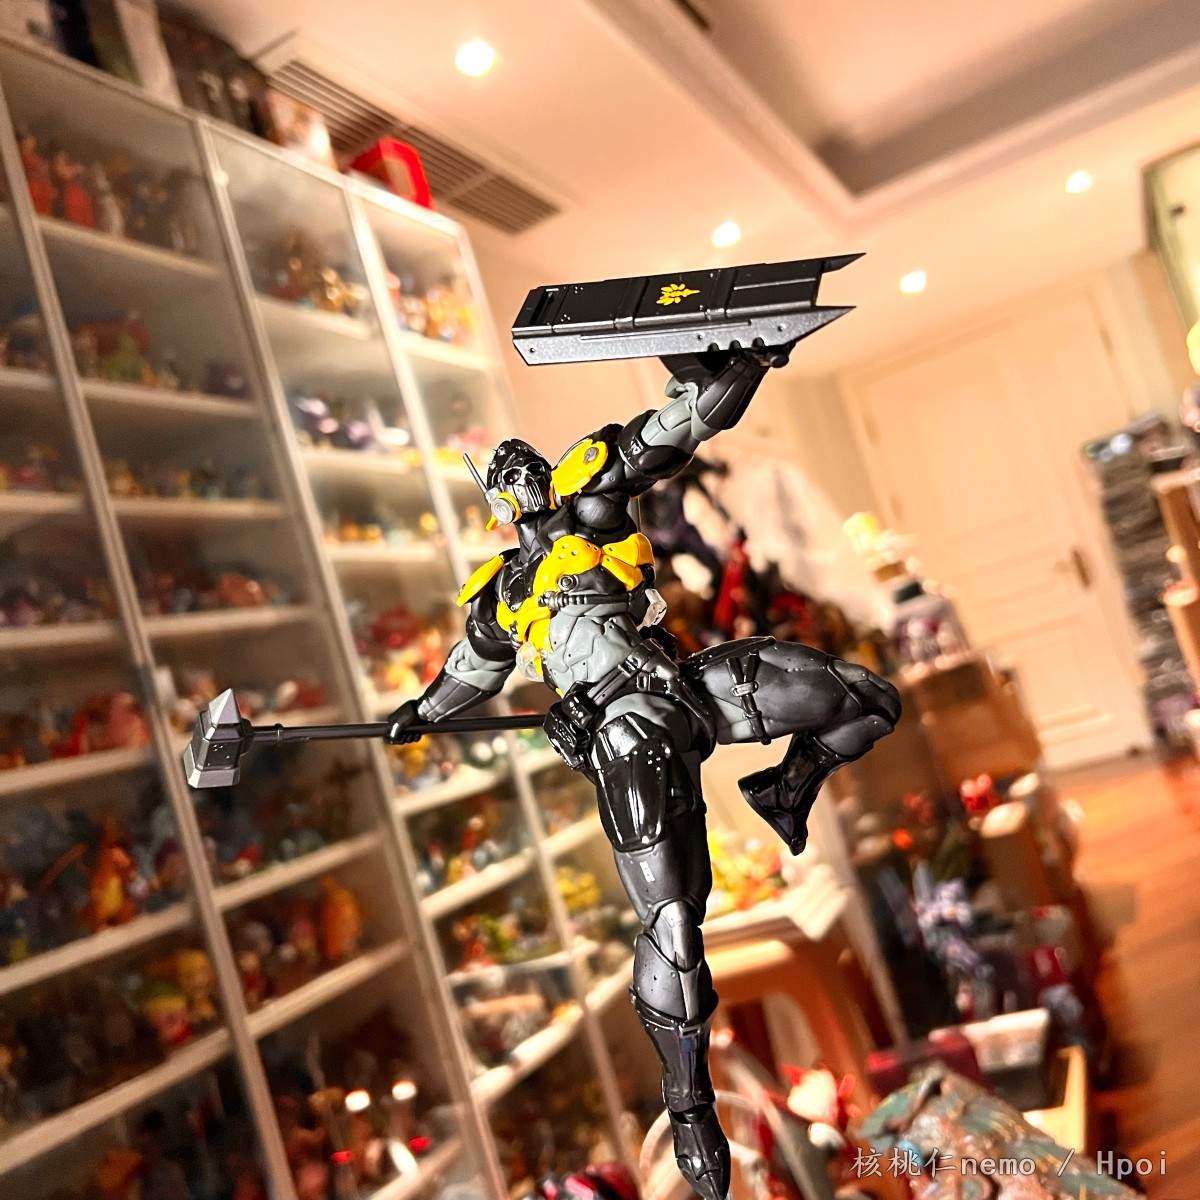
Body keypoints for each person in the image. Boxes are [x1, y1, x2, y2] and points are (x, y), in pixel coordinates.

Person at [387, 344, 899, 1200]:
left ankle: (784, 790)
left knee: (864, 698)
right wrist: (420, 713)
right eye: (506, 474)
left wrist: (745, 367)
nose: (522, 476)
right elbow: (470, 672)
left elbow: (673, 430)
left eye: (527, 464)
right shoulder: (504, 593)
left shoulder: (594, 511)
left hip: (684, 688)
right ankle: (691, 1104)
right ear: (496, 499)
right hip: (624, 734)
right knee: (674, 921)